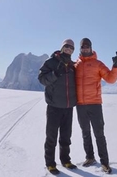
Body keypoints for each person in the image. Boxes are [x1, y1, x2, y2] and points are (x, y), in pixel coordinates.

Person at [74, 38, 117, 174]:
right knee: (85, 133)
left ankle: (105, 162)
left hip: (95, 104)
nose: (85, 49)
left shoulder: (98, 64)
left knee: (99, 134)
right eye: (83, 47)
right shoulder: (76, 65)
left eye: (87, 47)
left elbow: (111, 79)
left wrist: (116, 66)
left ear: (91, 48)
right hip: (80, 105)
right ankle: (90, 157)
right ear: (80, 49)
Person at [38, 39, 78, 175]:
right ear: (62, 48)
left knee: (66, 136)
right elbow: (42, 79)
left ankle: (66, 160)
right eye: (66, 46)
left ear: (73, 50)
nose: (68, 49)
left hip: (68, 106)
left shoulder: (73, 66)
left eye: (71, 47)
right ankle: (50, 163)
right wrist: (55, 74)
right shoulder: (51, 62)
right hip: (54, 106)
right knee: (51, 136)